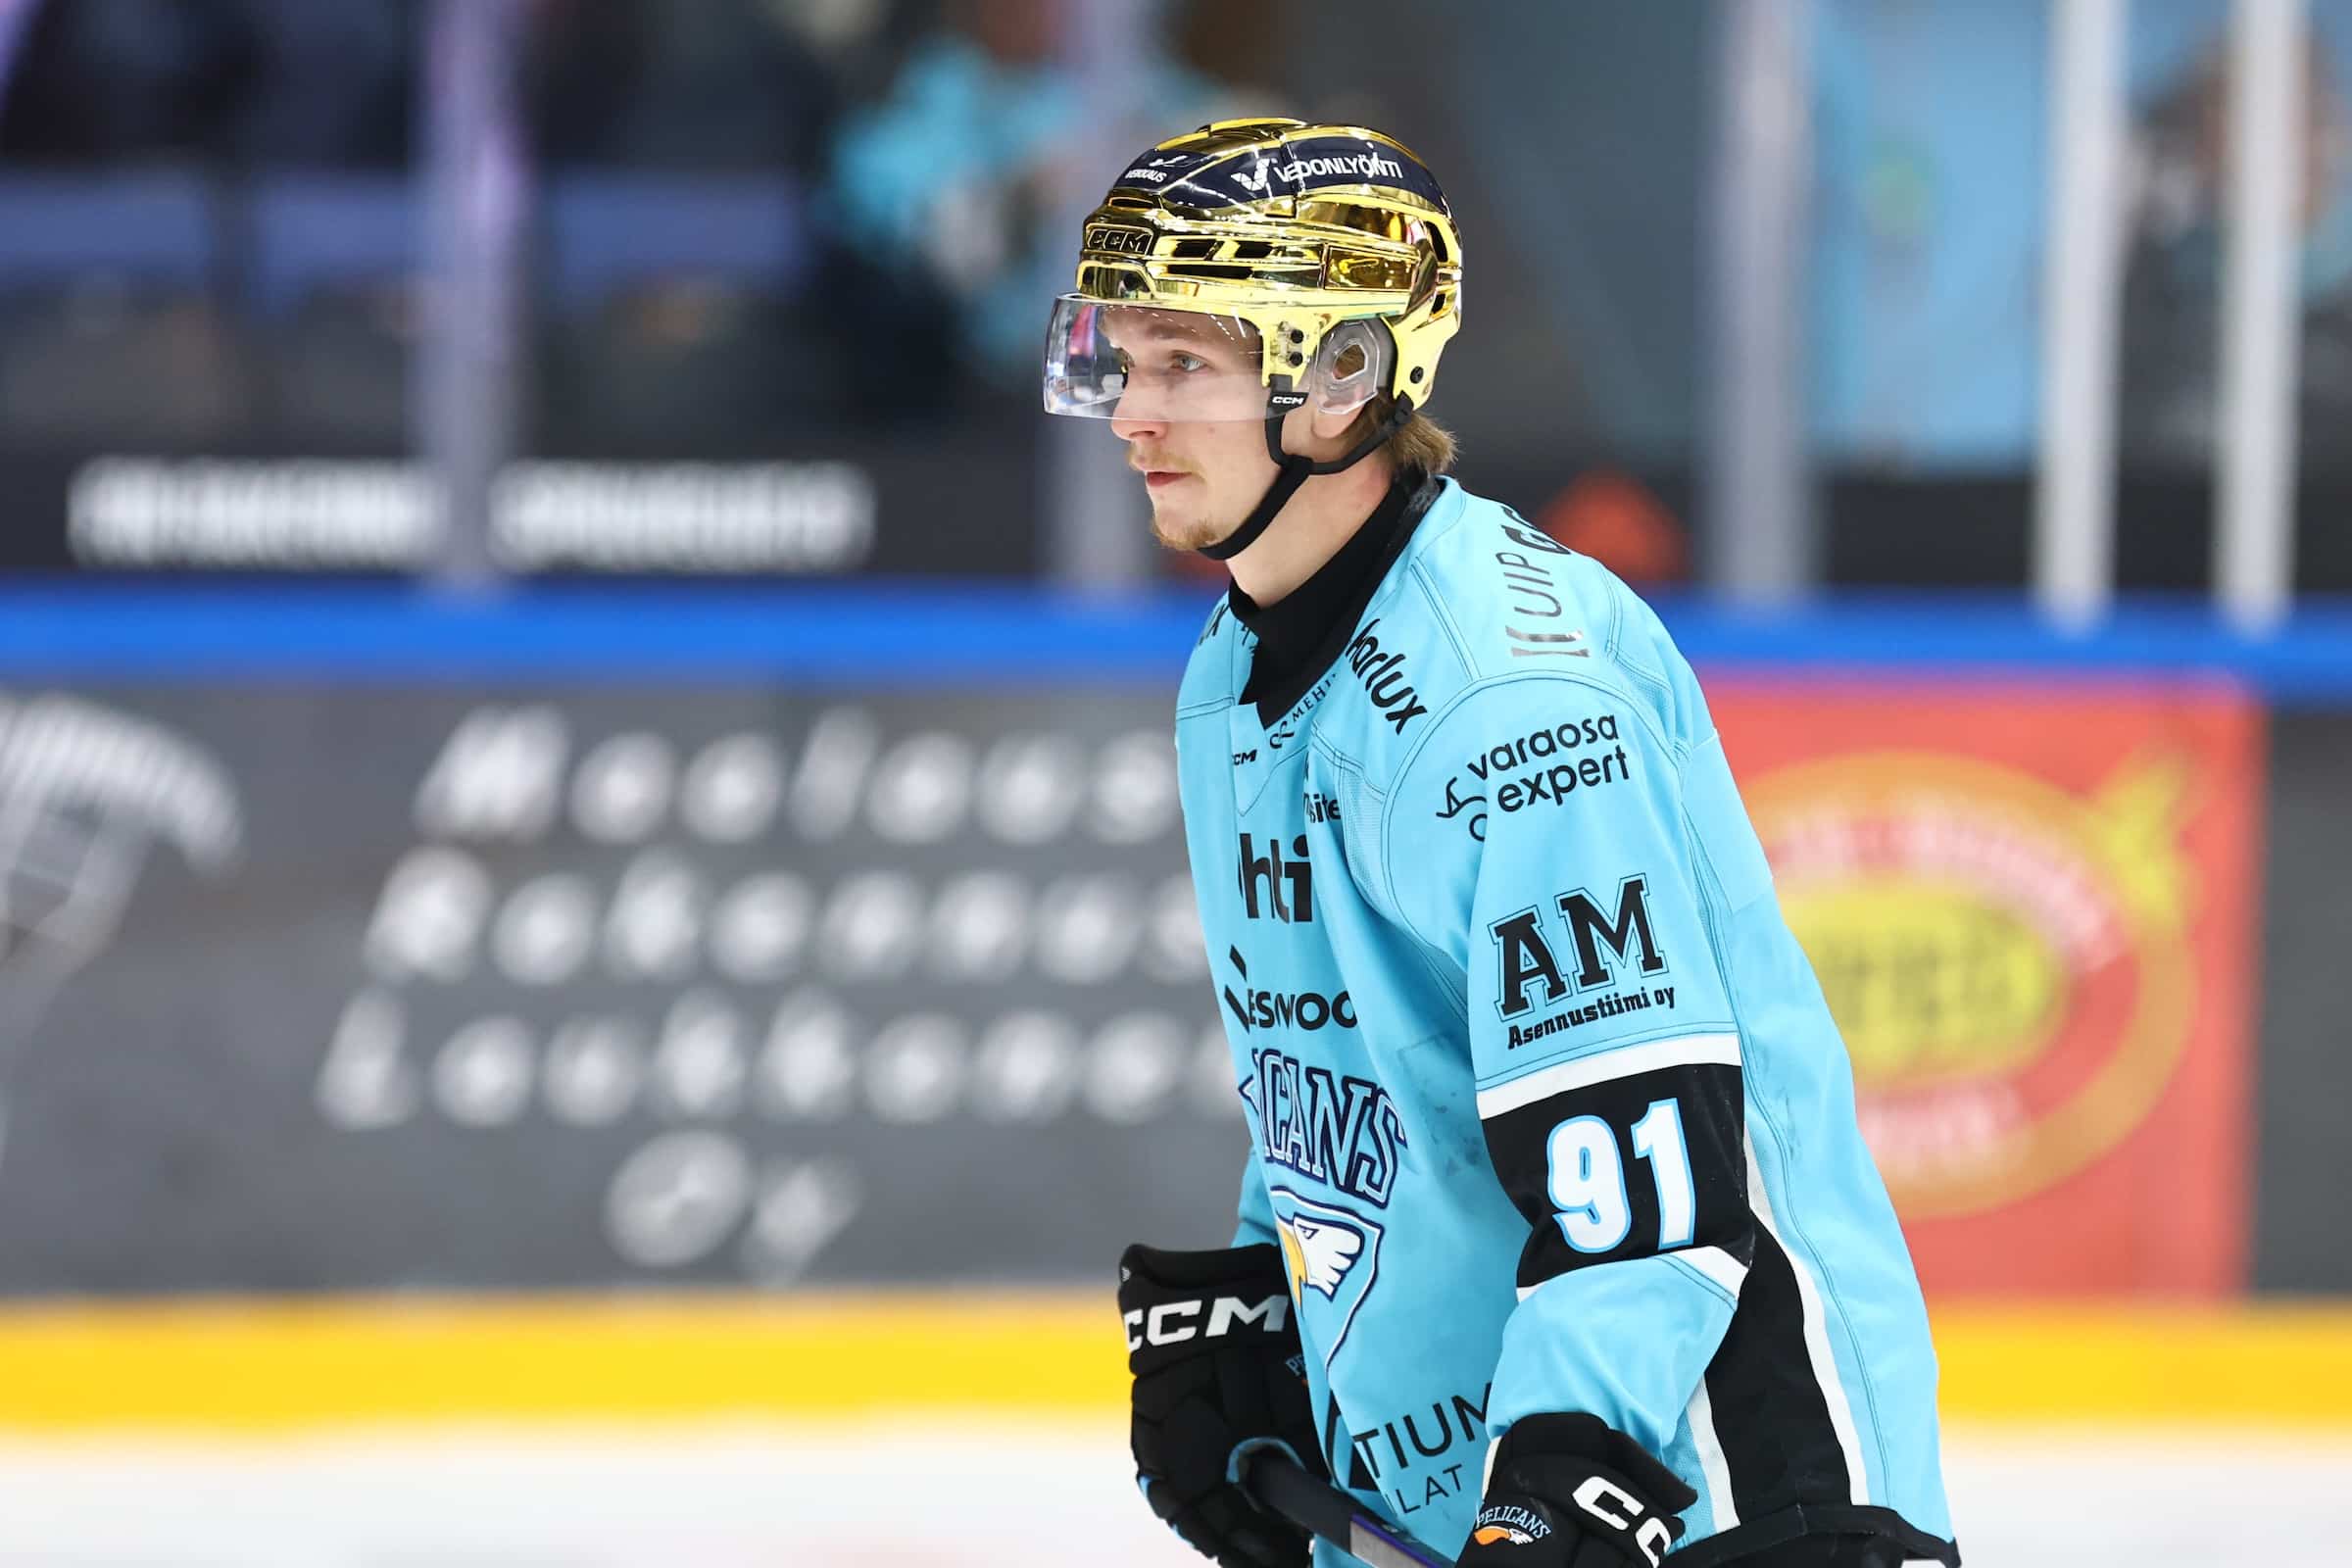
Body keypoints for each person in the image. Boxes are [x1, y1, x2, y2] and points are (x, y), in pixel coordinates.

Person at [1040, 119, 1961, 1568]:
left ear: (1342, 376)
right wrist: (1265, 1303)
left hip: (1709, 1481)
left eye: (1184, 365)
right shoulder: (1232, 668)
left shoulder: (1511, 705)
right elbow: (1333, 1049)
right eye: (1121, 358)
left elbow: (1647, 1172)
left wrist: (1562, 1483)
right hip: (1468, 1466)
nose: (1130, 414)